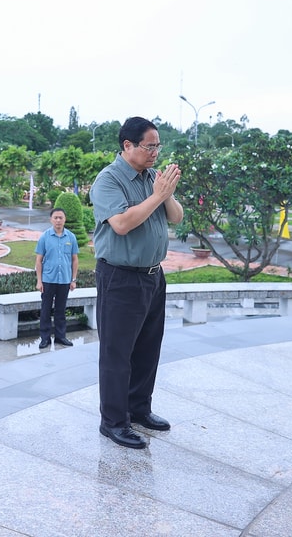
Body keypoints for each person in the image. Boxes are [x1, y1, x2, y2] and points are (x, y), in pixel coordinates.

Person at [89, 116, 183, 449]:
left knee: (147, 348)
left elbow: (176, 217)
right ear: (128, 145)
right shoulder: (108, 180)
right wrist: (157, 195)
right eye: (149, 146)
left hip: (153, 276)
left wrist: (166, 193)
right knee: (118, 353)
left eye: (158, 145)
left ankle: (139, 409)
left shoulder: (152, 178)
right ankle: (113, 421)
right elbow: (123, 224)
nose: (155, 152)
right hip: (120, 277)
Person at [35, 208, 79, 349]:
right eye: (56, 218)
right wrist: (39, 281)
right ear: (51, 219)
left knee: (61, 310)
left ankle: (61, 337)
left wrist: (73, 279)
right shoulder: (45, 237)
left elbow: (74, 259)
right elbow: (38, 260)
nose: (58, 220)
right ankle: (45, 338)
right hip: (48, 280)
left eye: (61, 217)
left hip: (65, 280)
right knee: (46, 310)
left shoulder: (71, 237)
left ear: (64, 219)